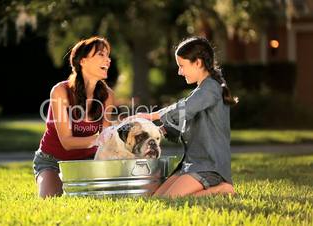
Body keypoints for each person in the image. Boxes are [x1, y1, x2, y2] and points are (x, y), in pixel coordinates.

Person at [135, 36, 237, 197]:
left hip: (209, 166)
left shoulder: (212, 88)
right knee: (156, 199)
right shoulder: (201, 90)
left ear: (198, 63)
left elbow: (185, 109)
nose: (179, 71)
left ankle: (222, 189)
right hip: (192, 163)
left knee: (168, 200)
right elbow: (182, 120)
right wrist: (157, 130)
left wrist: (151, 116)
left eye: (182, 65)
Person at [33, 36, 115, 198]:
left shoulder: (108, 96)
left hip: (89, 161)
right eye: (101, 54)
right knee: (51, 199)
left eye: (108, 55)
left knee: (99, 199)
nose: (108, 60)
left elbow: (106, 139)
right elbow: (67, 142)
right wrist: (101, 138)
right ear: (82, 61)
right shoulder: (60, 91)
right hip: (52, 161)